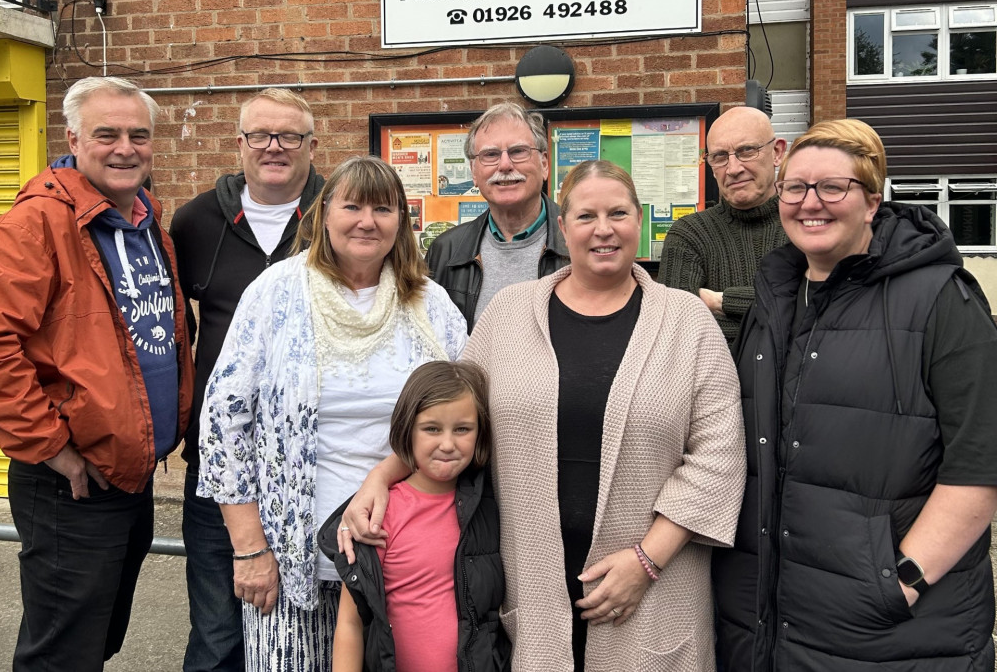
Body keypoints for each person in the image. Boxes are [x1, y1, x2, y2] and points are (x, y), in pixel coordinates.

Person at [342, 160, 746, 672]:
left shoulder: (687, 322)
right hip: (530, 587)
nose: (604, 229)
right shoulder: (510, 313)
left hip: (654, 588)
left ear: (639, 220)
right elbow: (454, 420)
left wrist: (645, 562)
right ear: (562, 225)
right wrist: (381, 476)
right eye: (586, 215)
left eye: (618, 213)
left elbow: (718, 457)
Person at [713, 119, 997, 671]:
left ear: (872, 201)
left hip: (894, 633)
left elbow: (980, 462)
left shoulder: (942, 299)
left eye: (832, 188)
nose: (809, 202)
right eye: (795, 188)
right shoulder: (774, 302)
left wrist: (905, 579)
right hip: (774, 625)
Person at [198, 155, 468, 671]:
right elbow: (223, 420)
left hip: (404, 556)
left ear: (400, 223)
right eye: (352, 206)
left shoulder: (429, 303)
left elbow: (469, 410)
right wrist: (250, 548)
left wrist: (386, 478)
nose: (367, 221)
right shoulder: (276, 292)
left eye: (383, 209)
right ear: (324, 215)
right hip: (291, 558)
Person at [0, 76, 194, 671]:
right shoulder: (38, 223)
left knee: (97, 639)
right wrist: (51, 447)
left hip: (126, 475)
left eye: (139, 135)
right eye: (107, 134)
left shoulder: (144, 219)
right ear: (74, 137)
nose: (125, 148)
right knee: (62, 654)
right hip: (71, 481)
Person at [170, 88, 324, 672]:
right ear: (239, 144)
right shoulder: (194, 222)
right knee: (216, 636)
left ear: (312, 145)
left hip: (313, 464)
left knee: (309, 629)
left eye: (289, 136)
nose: (274, 148)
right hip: (219, 466)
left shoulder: (338, 215)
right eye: (260, 135)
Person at [324, 360, 510, 672]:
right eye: (432, 429)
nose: (448, 444)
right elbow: (350, 623)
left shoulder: (490, 504)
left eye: (462, 429)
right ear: (407, 429)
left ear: (480, 433)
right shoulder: (378, 514)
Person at [425, 102, 569, 331]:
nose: (504, 165)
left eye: (518, 151)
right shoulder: (445, 252)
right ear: (473, 172)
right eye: (490, 155)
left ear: (544, 164)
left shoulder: (578, 241)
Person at [656, 106, 787, 342]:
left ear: (777, 152)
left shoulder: (807, 226)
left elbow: (824, 315)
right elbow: (678, 332)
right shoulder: (689, 235)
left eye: (747, 151)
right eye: (720, 157)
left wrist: (721, 301)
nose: (734, 169)